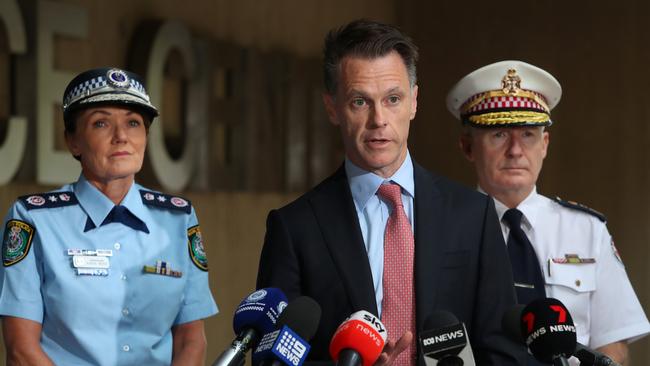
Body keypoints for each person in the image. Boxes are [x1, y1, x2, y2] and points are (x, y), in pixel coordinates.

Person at [256, 20, 525, 365]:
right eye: (359, 102)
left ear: (414, 102)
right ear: (332, 108)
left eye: (393, 99)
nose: (379, 119)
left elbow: (504, 352)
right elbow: (272, 359)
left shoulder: (473, 214)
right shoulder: (294, 228)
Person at [0, 67, 218, 365]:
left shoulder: (178, 219)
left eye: (133, 123)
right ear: (72, 141)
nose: (121, 137)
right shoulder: (33, 218)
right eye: (101, 123)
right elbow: (21, 350)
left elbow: (191, 340)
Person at [448, 60, 650, 364]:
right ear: (467, 147)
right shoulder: (442, 230)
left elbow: (613, 343)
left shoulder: (586, 230)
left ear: (545, 144)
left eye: (528, 135)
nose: (516, 150)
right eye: (499, 134)